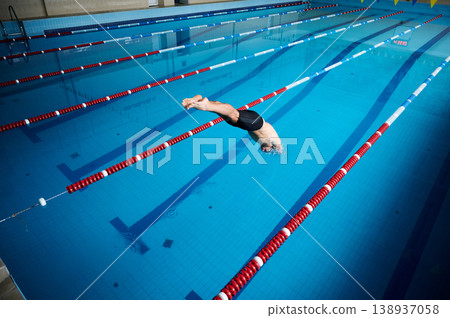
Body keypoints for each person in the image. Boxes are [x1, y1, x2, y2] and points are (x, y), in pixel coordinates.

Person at [182, 95, 282, 153]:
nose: (264, 150)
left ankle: (199, 100)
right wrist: (280, 151)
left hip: (250, 123)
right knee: (234, 114)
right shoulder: (275, 141)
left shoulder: (263, 142)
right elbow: (280, 146)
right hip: (255, 123)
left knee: (225, 115)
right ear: (271, 146)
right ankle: (205, 105)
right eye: (267, 150)